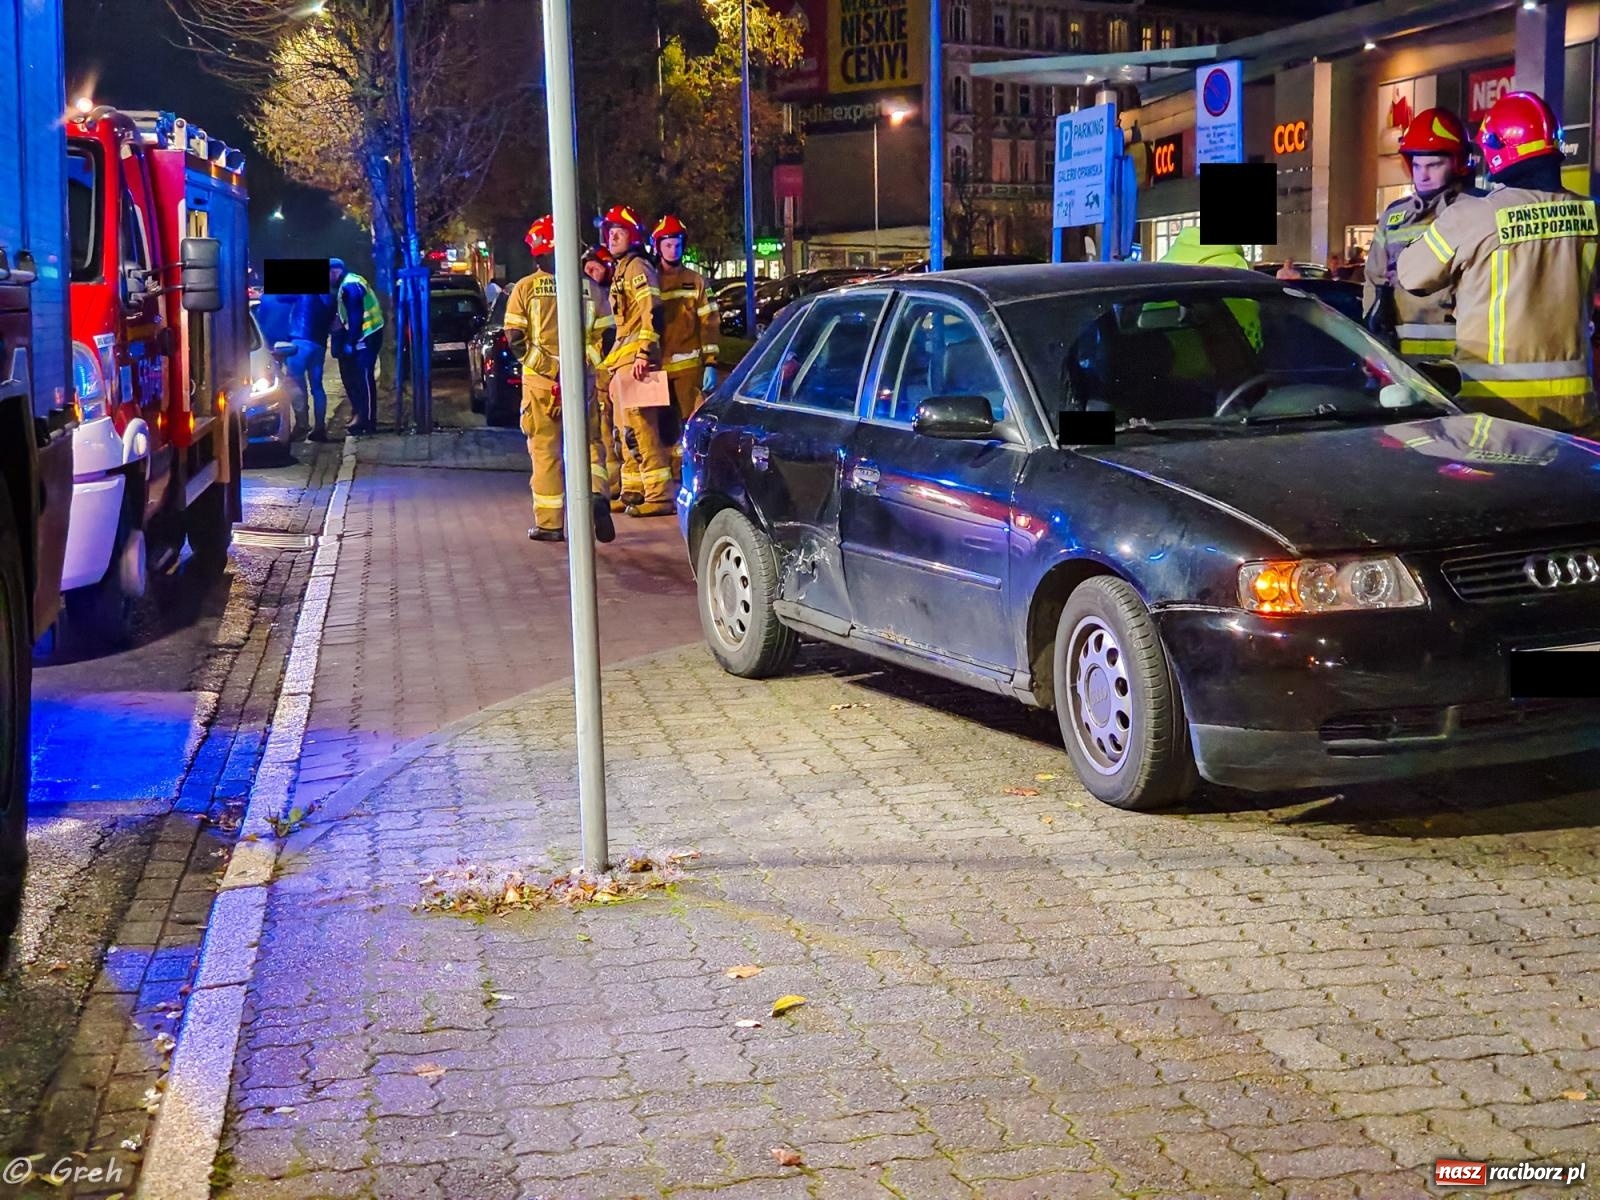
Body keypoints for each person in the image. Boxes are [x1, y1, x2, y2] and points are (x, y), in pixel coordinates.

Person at [1397, 91, 1600, 432]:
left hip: (1495, 415)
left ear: (1496, 148)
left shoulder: (1473, 216)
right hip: (1576, 413)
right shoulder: (1592, 213)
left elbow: (1411, 276)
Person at [502, 215, 614, 544]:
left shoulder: (524, 288)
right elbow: (607, 334)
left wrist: (551, 369)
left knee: (545, 451)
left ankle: (550, 523)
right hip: (583, 383)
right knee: (591, 444)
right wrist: (581, 365)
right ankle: (597, 495)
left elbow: (515, 338)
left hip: (541, 387)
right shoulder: (590, 287)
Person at [1364, 107, 1482, 362]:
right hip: (1401, 361)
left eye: (1434, 165)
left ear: (1458, 162)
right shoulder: (1394, 216)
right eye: (1417, 165)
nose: (1423, 175)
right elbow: (1374, 279)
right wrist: (1373, 336)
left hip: (1462, 360)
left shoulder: (1477, 209)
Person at [597, 204, 674, 518]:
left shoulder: (638, 268)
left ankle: (659, 495)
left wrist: (645, 352)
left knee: (642, 429)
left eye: (619, 232)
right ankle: (633, 491)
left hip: (637, 360)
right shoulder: (622, 269)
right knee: (625, 430)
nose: (613, 237)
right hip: (623, 361)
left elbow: (651, 311)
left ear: (633, 236)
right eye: (610, 232)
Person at [651, 214, 719, 429]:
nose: (673, 250)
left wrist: (711, 363)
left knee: (690, 426)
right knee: (659, 431)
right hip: (656, 371)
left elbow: (710, 323)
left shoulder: (696, 281)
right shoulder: (650, 280)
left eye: (677, 245)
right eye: (668, 245)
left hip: (688, 370)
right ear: (658, 247)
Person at [581, 246, 623, 508]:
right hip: (595, 373)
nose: (590, 273)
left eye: (594, 269)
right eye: (587, 269)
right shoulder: (589, 293)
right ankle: (608, 487)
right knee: (602, 431)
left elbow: (610, 334)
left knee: (616, 430)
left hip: (609, 369)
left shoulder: (609, 292)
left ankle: (615, 485)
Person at [329, 258, 383, 435]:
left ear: (335, 271)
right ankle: (362, 416)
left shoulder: (350, 286)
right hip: (368, 335)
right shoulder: (351, 281)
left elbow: (355, 315)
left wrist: (350, 342)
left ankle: (367, 422)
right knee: (359, 379)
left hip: (366, 337)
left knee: (364, 379)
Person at [288, 288, 337, 441]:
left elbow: (279, 298)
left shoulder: (303, 293)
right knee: (317, 386)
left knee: (294, 382)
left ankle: (302, 424)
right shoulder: (331, 296)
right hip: (319, 344)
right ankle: (320, 427)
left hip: (300, 341)